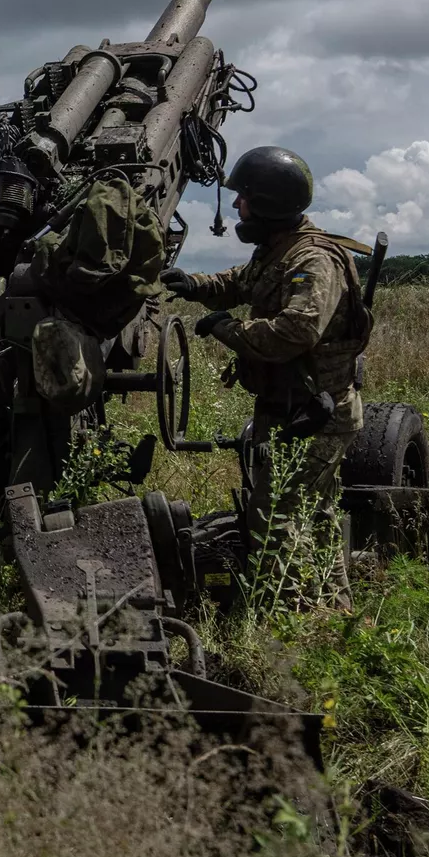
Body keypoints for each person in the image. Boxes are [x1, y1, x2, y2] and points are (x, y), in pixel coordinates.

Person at [161, 145, 372, 608]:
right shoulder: (279, 250)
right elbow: (241, 282)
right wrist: (195, 286)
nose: (237, 206)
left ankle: (286, 617)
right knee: (314, 513)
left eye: (244, 197)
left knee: (274, 514)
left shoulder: (313, 260)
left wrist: (228, 329)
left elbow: (295, 331)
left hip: (315, 413)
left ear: (270, 203)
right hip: (292, 406)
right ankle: (332, 608)